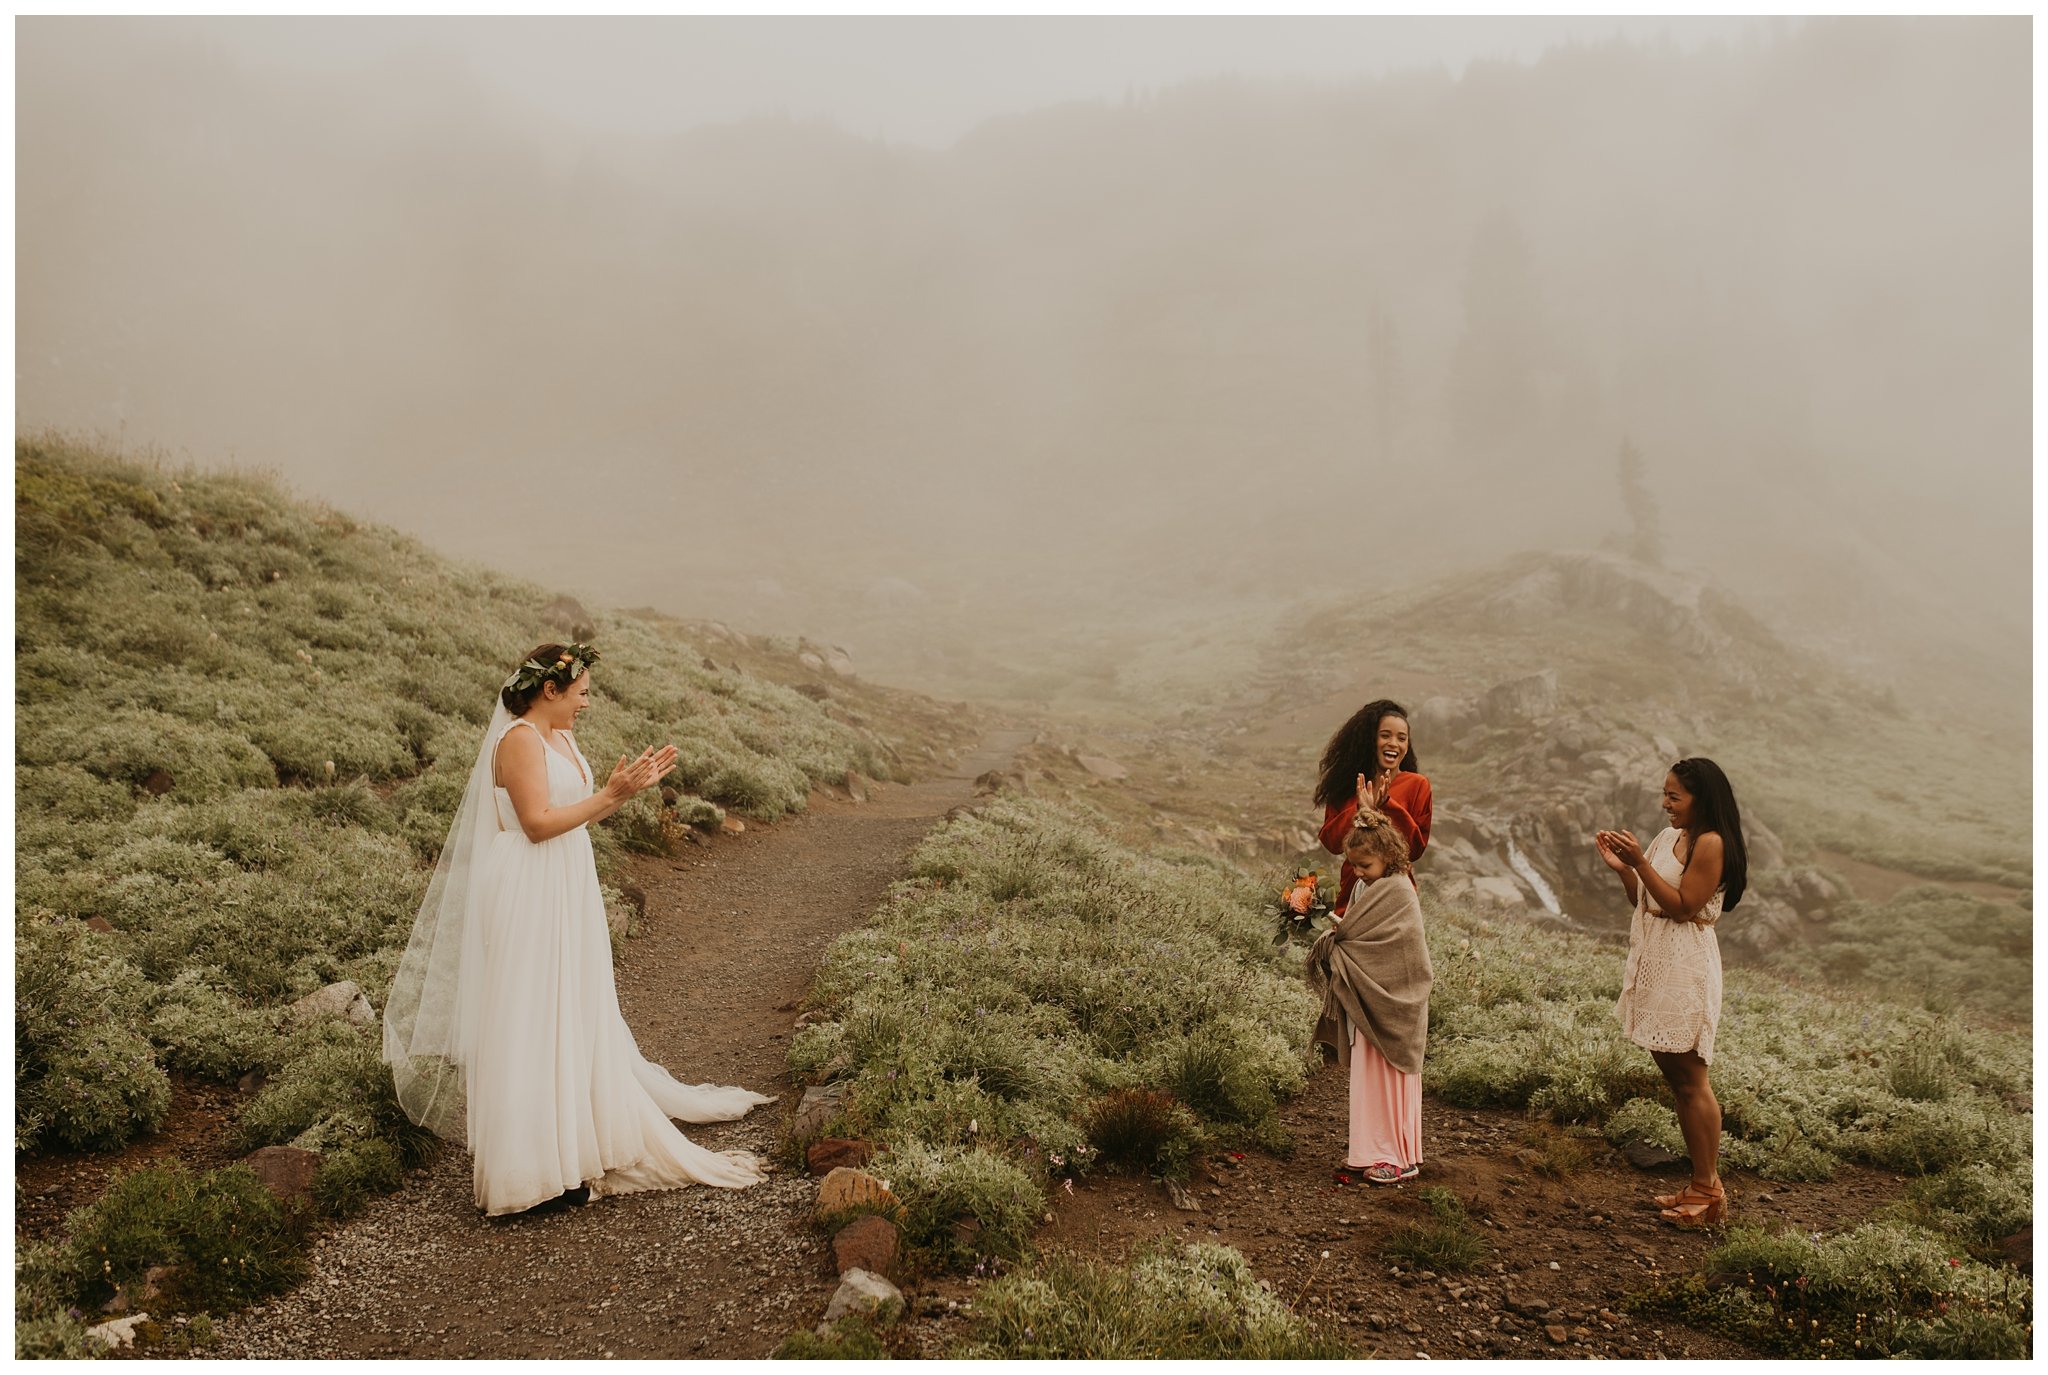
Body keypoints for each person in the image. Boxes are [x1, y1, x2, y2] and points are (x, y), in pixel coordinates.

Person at [383, 642, 773, 1217]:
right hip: (527, 885)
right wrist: (608, 795)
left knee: (571, 1008)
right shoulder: (517, 740)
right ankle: (529, 1173)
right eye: (582, 693)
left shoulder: (559, 737)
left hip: (564, 879)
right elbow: (537, 825)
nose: (586, 704)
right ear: (550, 690)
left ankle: (571, 1148)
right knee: (530, 1014)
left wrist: (622, 794)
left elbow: (577, 811)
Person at [1595, 757, 1749, 1228]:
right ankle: (1702, 1184)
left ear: (1701, 798)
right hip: (1656, 960)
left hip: (1685, 966)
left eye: (1674, 796)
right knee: (1677, 1080)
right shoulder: (1671, 838)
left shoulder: (1711, 843)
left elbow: (1683, 907)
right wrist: (1625, 870)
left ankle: (1708, 1189)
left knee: (1692, 1079)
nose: (1665, 804)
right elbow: (1645, 898)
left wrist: (1640, 861)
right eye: (1664, 794)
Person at [1308, 808, 1433, 1186]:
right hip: (1367, 997)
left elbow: (1400, 949)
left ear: (1388, 857)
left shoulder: (1398, 890)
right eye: (1354, 865)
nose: (1358, 872)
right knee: (1368, 1074)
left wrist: (1342, 941)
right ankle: (1368, 1150)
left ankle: (1398, 1157)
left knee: (1390, 1076)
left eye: (1365, 864)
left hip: (1394, 1000)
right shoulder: (1368, 886)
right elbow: (1359, 935)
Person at [1315, 699, 1432, 914]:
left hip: (1397, 897)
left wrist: (1387, 805)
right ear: (1370, 740)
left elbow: (1415, 849)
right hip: (1352, 893)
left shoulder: (1418, 785)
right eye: (1385, 735)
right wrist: (1360, 809)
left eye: (1401, 738)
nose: (1394, 743)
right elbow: (1332, 843)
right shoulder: (1347, 784)